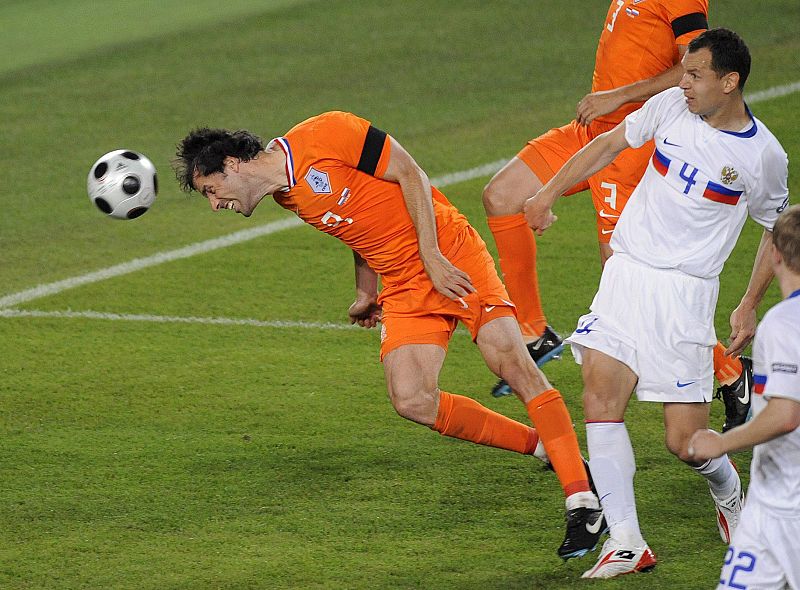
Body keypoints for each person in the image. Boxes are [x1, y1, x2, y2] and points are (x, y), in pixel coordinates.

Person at [173, 111, 605, 560]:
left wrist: (433, 256)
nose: (214, 204)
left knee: (513, 365)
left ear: (232, 164)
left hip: (450, 255)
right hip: (403, 283)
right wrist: (366, 291)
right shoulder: (288, 196)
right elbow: (358, 227)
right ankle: (547, 450)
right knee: (412, 399)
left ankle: (583, 500)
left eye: (211, 190)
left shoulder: (325, 134)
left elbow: (409, 173)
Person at [524, 28, 789, 578]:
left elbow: (774, 230)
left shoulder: (764, 156)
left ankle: (732, 496)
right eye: (684, 73)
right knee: (599, 393)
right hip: (626, 274)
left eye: (695, 75)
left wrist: (747, 304)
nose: (684, 83)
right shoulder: (671, 106)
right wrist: (547, 192)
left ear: (730, 81)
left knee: (686, 443)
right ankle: (625, 539)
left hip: (685, 296)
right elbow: (607, 145)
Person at [482, 0, 751, 435]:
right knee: (501, 195)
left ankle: (729, 373)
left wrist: (620, 95)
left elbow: (693, 66)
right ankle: (534, 333)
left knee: (631, 284)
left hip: (631, 144)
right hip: (592, 131)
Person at [688, 205, 800, 590]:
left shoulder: (785, 324)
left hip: (785, 505)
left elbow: (785, 415)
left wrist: (720, 442)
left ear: (775, 255)